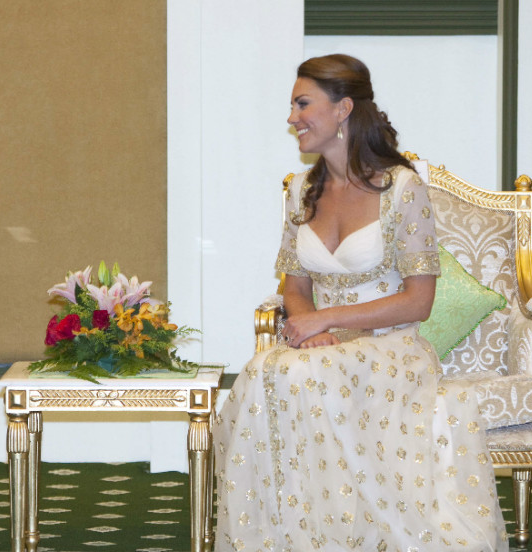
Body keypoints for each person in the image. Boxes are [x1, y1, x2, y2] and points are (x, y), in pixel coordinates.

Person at [213, 54, 508, 551]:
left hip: (393, 350)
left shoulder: (402, 189)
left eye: (302, 103)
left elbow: (418, 302)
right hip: (320, 348)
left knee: (292, 374)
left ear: (343, 107)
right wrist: (310, 326)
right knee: (267, 371)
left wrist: (325, 320)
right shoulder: (303, 191)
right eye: (292, 105)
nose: (292, 118)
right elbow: (294, 286)